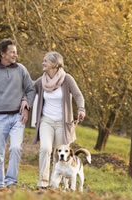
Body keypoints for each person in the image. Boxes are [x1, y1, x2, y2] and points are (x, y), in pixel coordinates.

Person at [0, 38, 35, 189]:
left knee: (16, 148)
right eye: (12, 52)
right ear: (2, 54)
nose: (15, 55)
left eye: (16, 52)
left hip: (18, 116)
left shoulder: (21, 69)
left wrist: (26, 103)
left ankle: (11, 182)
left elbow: (31, 88)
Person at [26, 51, 85, 189]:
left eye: (45, 61)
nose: (43, 63)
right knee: (45, 148)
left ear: (55, 64)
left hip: (63, 124)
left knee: (59, 155)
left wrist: (81, 109)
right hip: (46, 120)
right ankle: (43, 181)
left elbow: (78, 95)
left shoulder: (67, 79)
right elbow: (29, 90)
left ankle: (55, 183)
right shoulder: (41, 81)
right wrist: (24, 101)